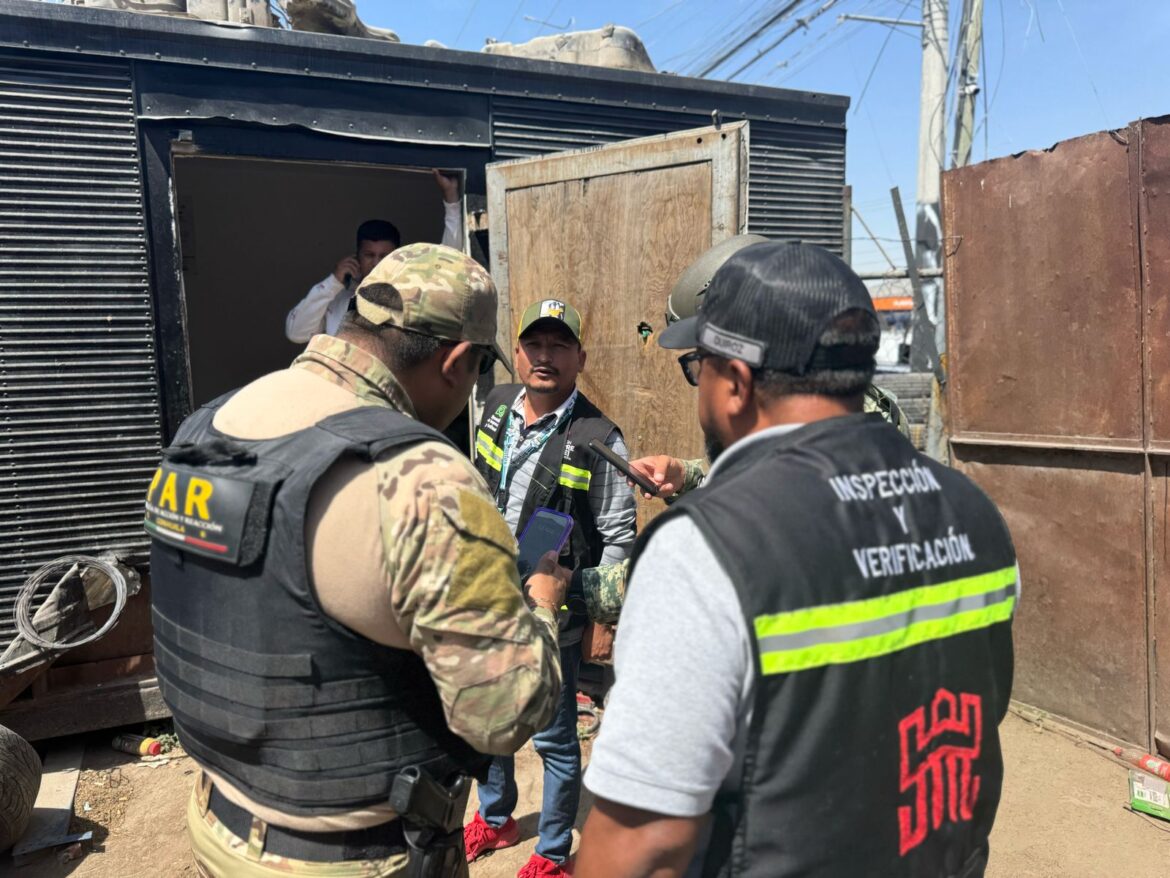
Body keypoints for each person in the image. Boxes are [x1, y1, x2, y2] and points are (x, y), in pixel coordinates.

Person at [575, 241, 1018, 878]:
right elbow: (977, 708)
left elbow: (641, 846)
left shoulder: (704, 546)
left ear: (735, 382)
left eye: (698, 368)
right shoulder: (973, 511)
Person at [145, 243, 567, 878]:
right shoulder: (423, 478)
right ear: (456, 362)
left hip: (215, 824)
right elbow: (503, 714)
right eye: (480, 369)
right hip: (355, 857)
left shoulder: (207, 426)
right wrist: (542, 604)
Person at [578, 234, 911, 627]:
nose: (704, 383)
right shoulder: (843, 409)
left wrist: (569, 589)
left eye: (703, 364)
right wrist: (688, 476)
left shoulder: (817, 453)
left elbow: (705, 560)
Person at [464, 299, 638, 877]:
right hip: (488, 598)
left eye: (559, 346)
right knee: (491, 720)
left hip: (553, 611)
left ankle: (553, 851)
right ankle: (497, 817)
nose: (545, 356)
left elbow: (618, 537)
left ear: (580, 358)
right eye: (534, 344)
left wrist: (601, 620)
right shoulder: (494, 406)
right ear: (517, 352)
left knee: (555, 739)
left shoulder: (599, 437)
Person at [285, 170, 464, 342]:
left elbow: (449, 264)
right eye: (369, 255)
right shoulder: (338, 299)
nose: (376, 262)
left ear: (397, 257)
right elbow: (296, 333)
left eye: (384, 256)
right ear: (357, 257)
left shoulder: (412, 297)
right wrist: (333, 282)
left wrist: (452, 201)